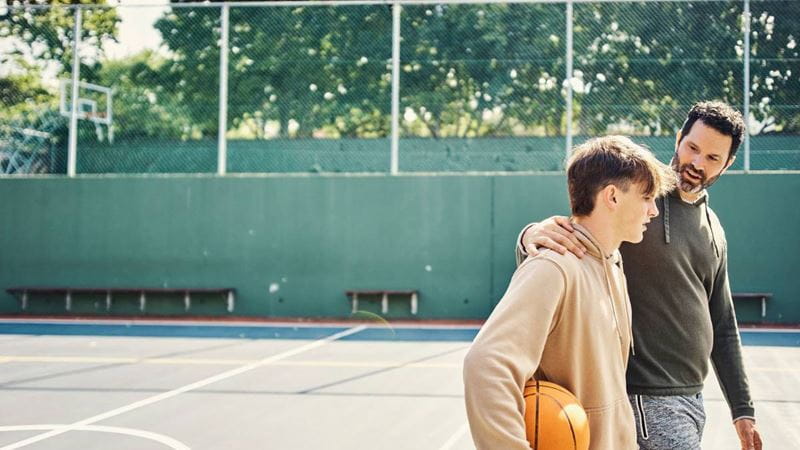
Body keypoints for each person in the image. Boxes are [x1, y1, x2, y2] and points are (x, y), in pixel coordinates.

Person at [517, 101, 762, 450]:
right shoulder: (639, 198)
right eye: (692, 148)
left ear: (727, 164)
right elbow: (578, 233)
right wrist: (529, 236)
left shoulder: (714, 227)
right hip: (645, 396)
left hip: (692, 398)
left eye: (712, 158)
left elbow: (722, 322)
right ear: (678, 138)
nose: (697, 163)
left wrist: (742, 408)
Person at [463, 136, 675, 450]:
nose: (653, 210)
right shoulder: (554, 267)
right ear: (612, 197)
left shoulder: (612, 265)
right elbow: (485, 365)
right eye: (646, 197)